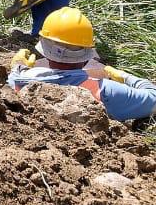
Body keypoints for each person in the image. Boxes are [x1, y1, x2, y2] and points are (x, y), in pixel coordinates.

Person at [8, 8, 156, 122]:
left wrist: (17, 67)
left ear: (44, 49)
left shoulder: (19, 81)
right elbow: (153, 98)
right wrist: (124, 77)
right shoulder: (105, 90)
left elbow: (6, 83)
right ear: (86, 56)